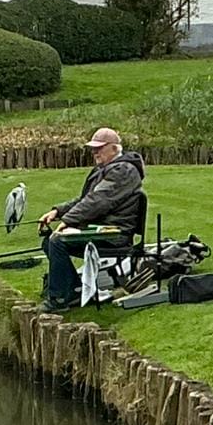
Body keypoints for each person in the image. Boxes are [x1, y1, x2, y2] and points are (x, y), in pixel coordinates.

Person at [37, 127, 146, 312]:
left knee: (57, 241)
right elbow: (86, 199)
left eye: (99, 148)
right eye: (93, 148)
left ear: (114, 148)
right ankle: (73, 289)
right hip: (101, 229)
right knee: (50, 241)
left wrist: (68, 222)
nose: (95, 152)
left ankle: (59, 299)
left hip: (114, 235)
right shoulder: (107, 169)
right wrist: (58, 211)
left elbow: (98, 201)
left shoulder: (123, 171)